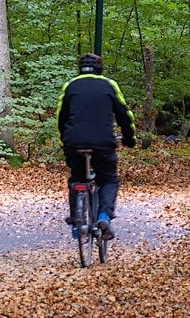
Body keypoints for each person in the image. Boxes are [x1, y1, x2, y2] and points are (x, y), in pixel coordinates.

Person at [56, 53, 136, 236]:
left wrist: (64, 141)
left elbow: (60, 117)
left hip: (74, 142)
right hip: (103, 142)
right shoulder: (109, 85)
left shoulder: (70, 86)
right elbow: (125, 115)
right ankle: (104, 216)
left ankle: (77, 223)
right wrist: (129, 138)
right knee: (108, 179)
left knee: (77, 178)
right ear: (100, 69)